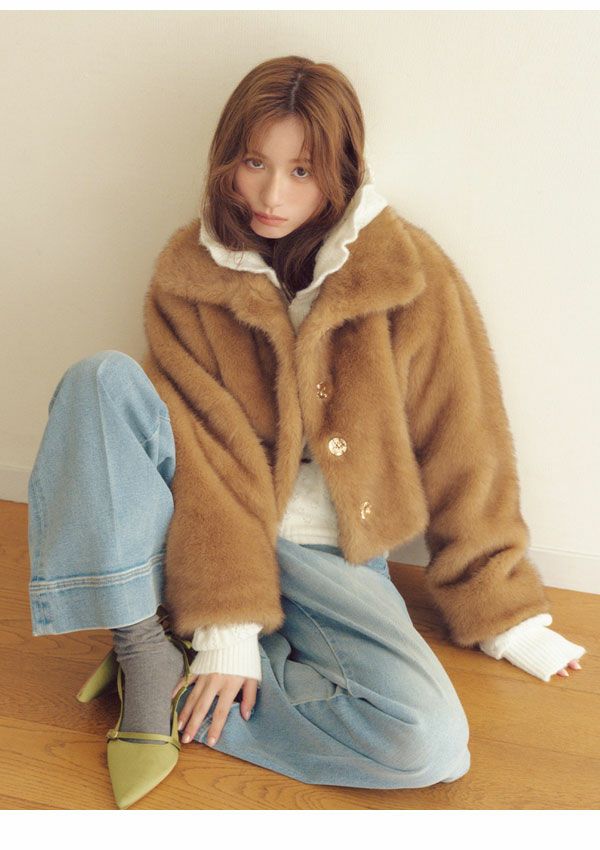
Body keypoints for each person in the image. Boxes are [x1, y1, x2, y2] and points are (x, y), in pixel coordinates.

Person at [27, 55, 586, 810]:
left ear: (342, 172)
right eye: (254, 163)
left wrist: (503, 611)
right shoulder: (188, 274)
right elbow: (208, 453)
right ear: (227, 159)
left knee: (426, 742)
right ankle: (146, 650)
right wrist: (228, 626)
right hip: (207, 527)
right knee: (100, 381)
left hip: (332, 549)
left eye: (302, 171)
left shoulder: (407, 273)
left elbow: (466, 440)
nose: (271, 195)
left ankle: (180, 666)